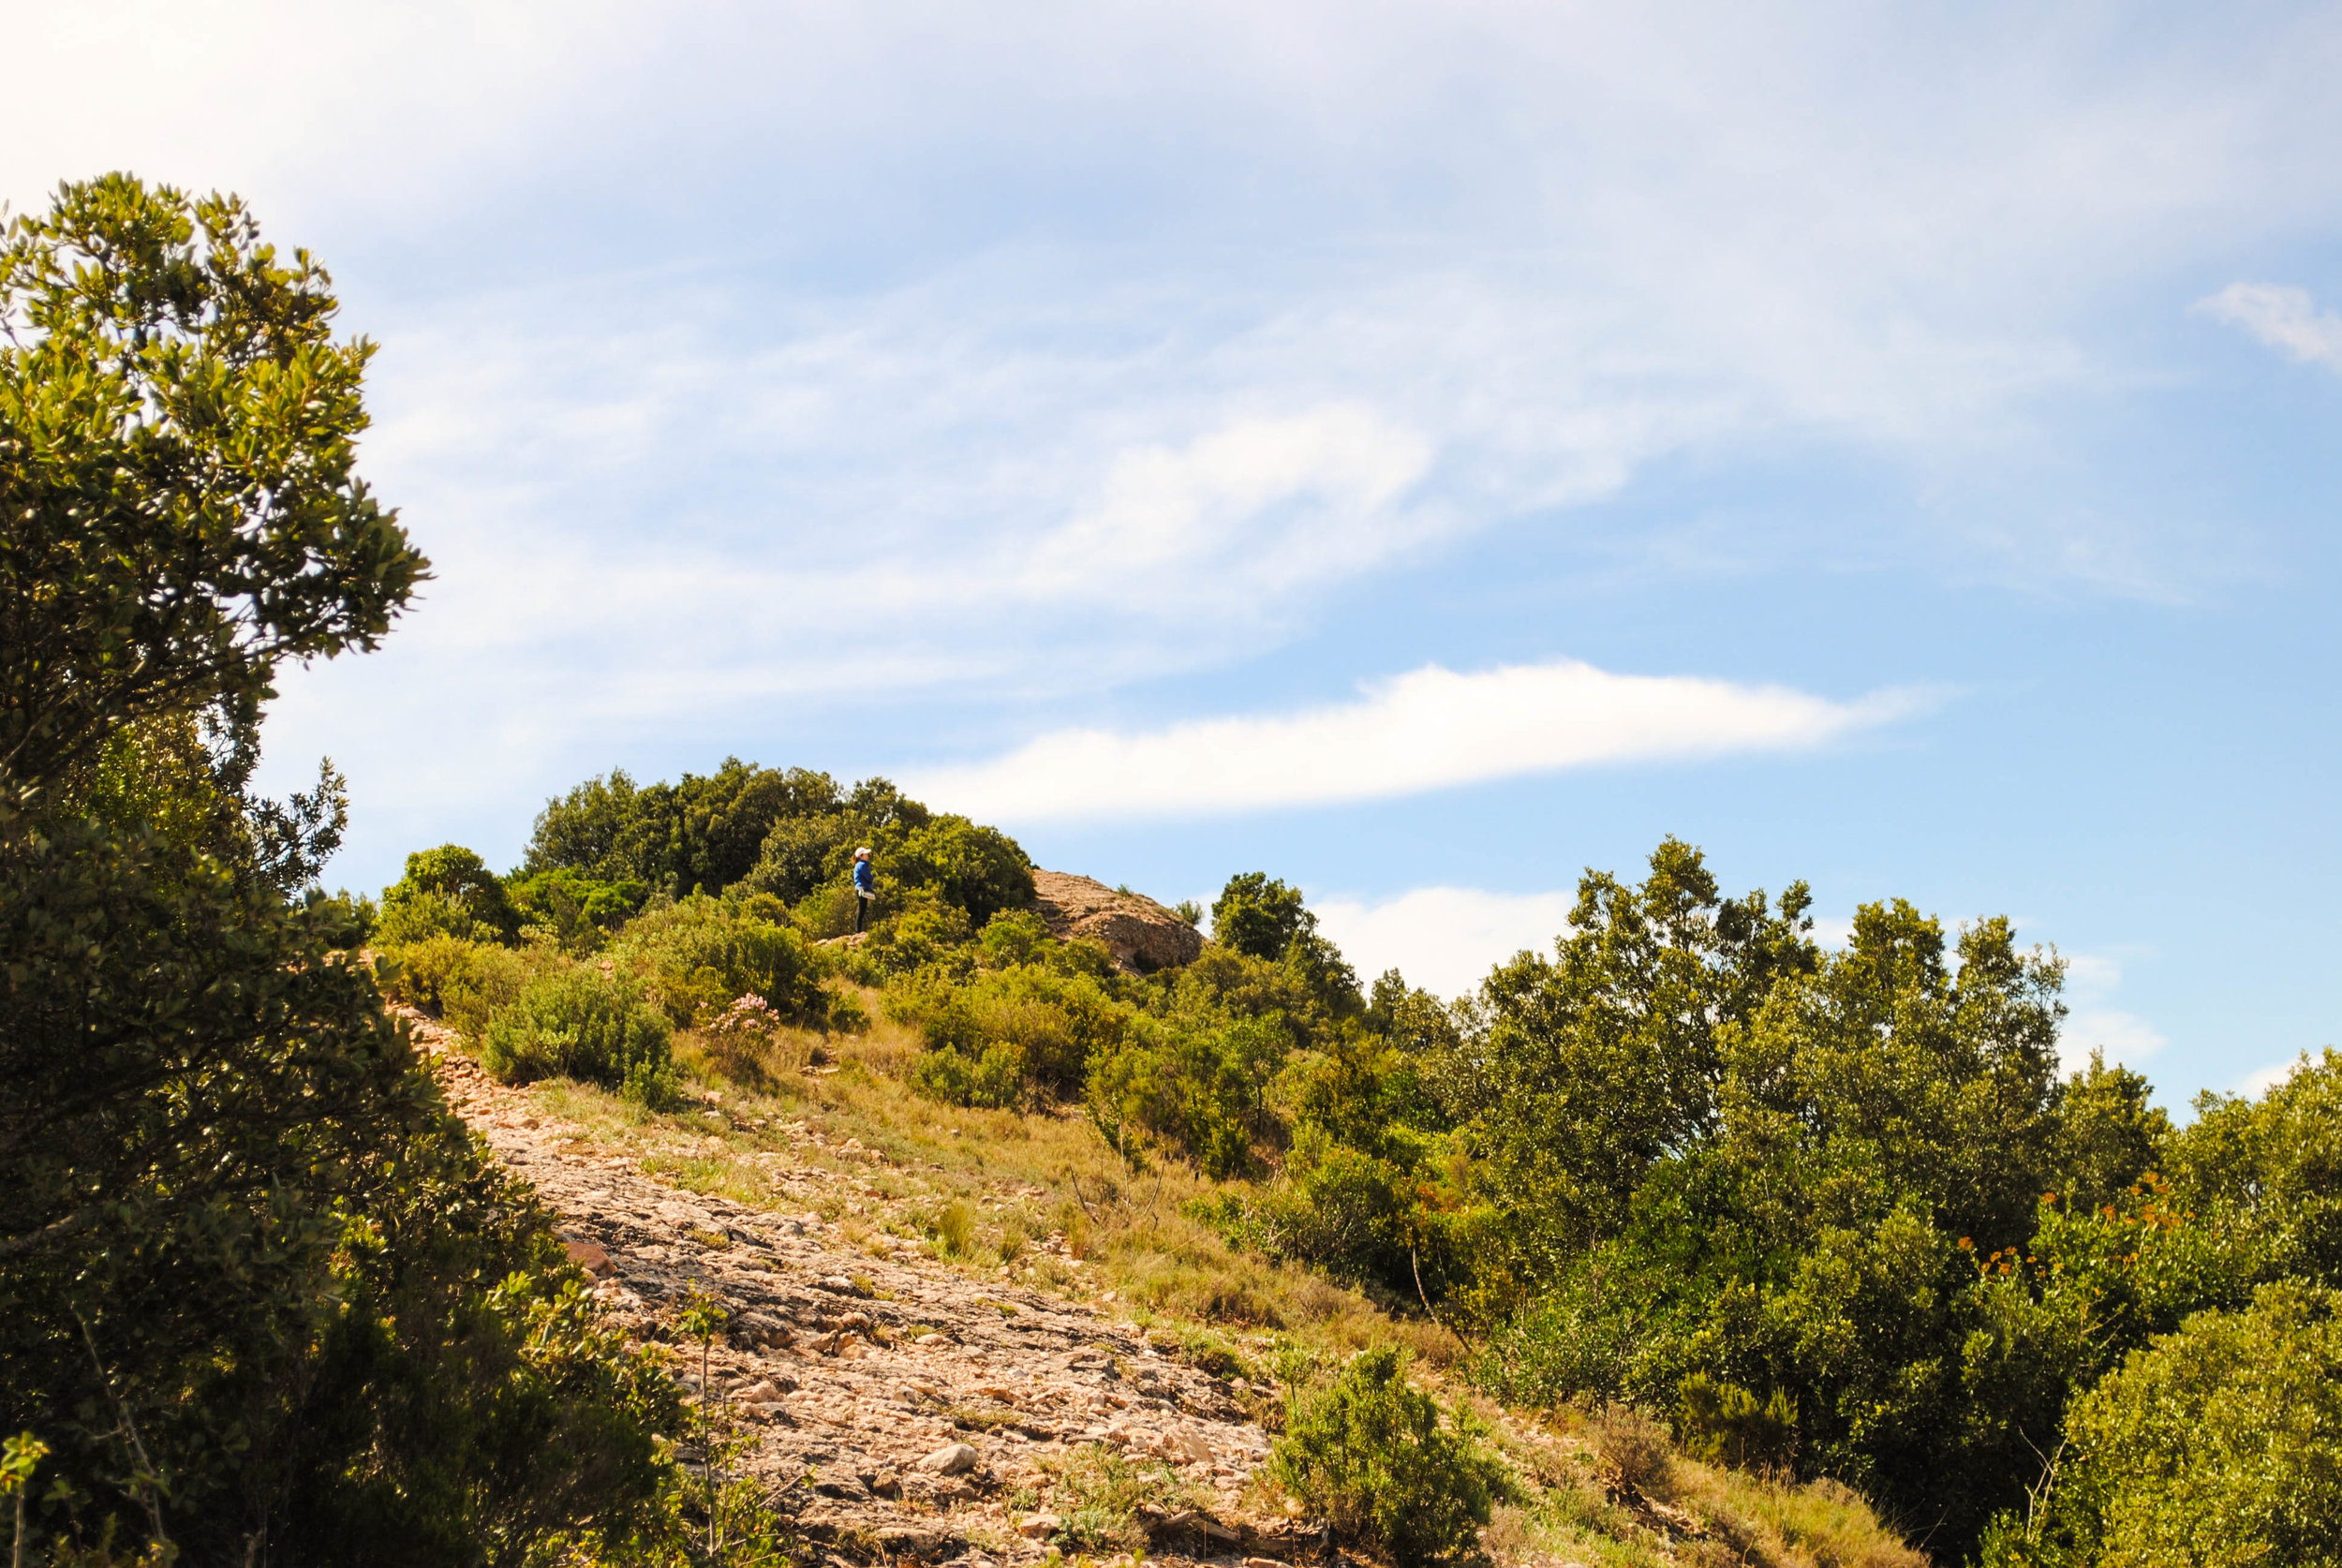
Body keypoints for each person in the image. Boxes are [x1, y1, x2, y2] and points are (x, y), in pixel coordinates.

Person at [852, 847, 876, 933]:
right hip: (862, 888)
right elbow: (869, 878)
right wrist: (872, 878)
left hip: (859, 888)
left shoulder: (858, 865)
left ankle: (859, 929)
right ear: (861, 856)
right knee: (862, 910)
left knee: (862, 909)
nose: (867, 855)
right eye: (866, 854)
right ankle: (858, 930)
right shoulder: (862, 865)